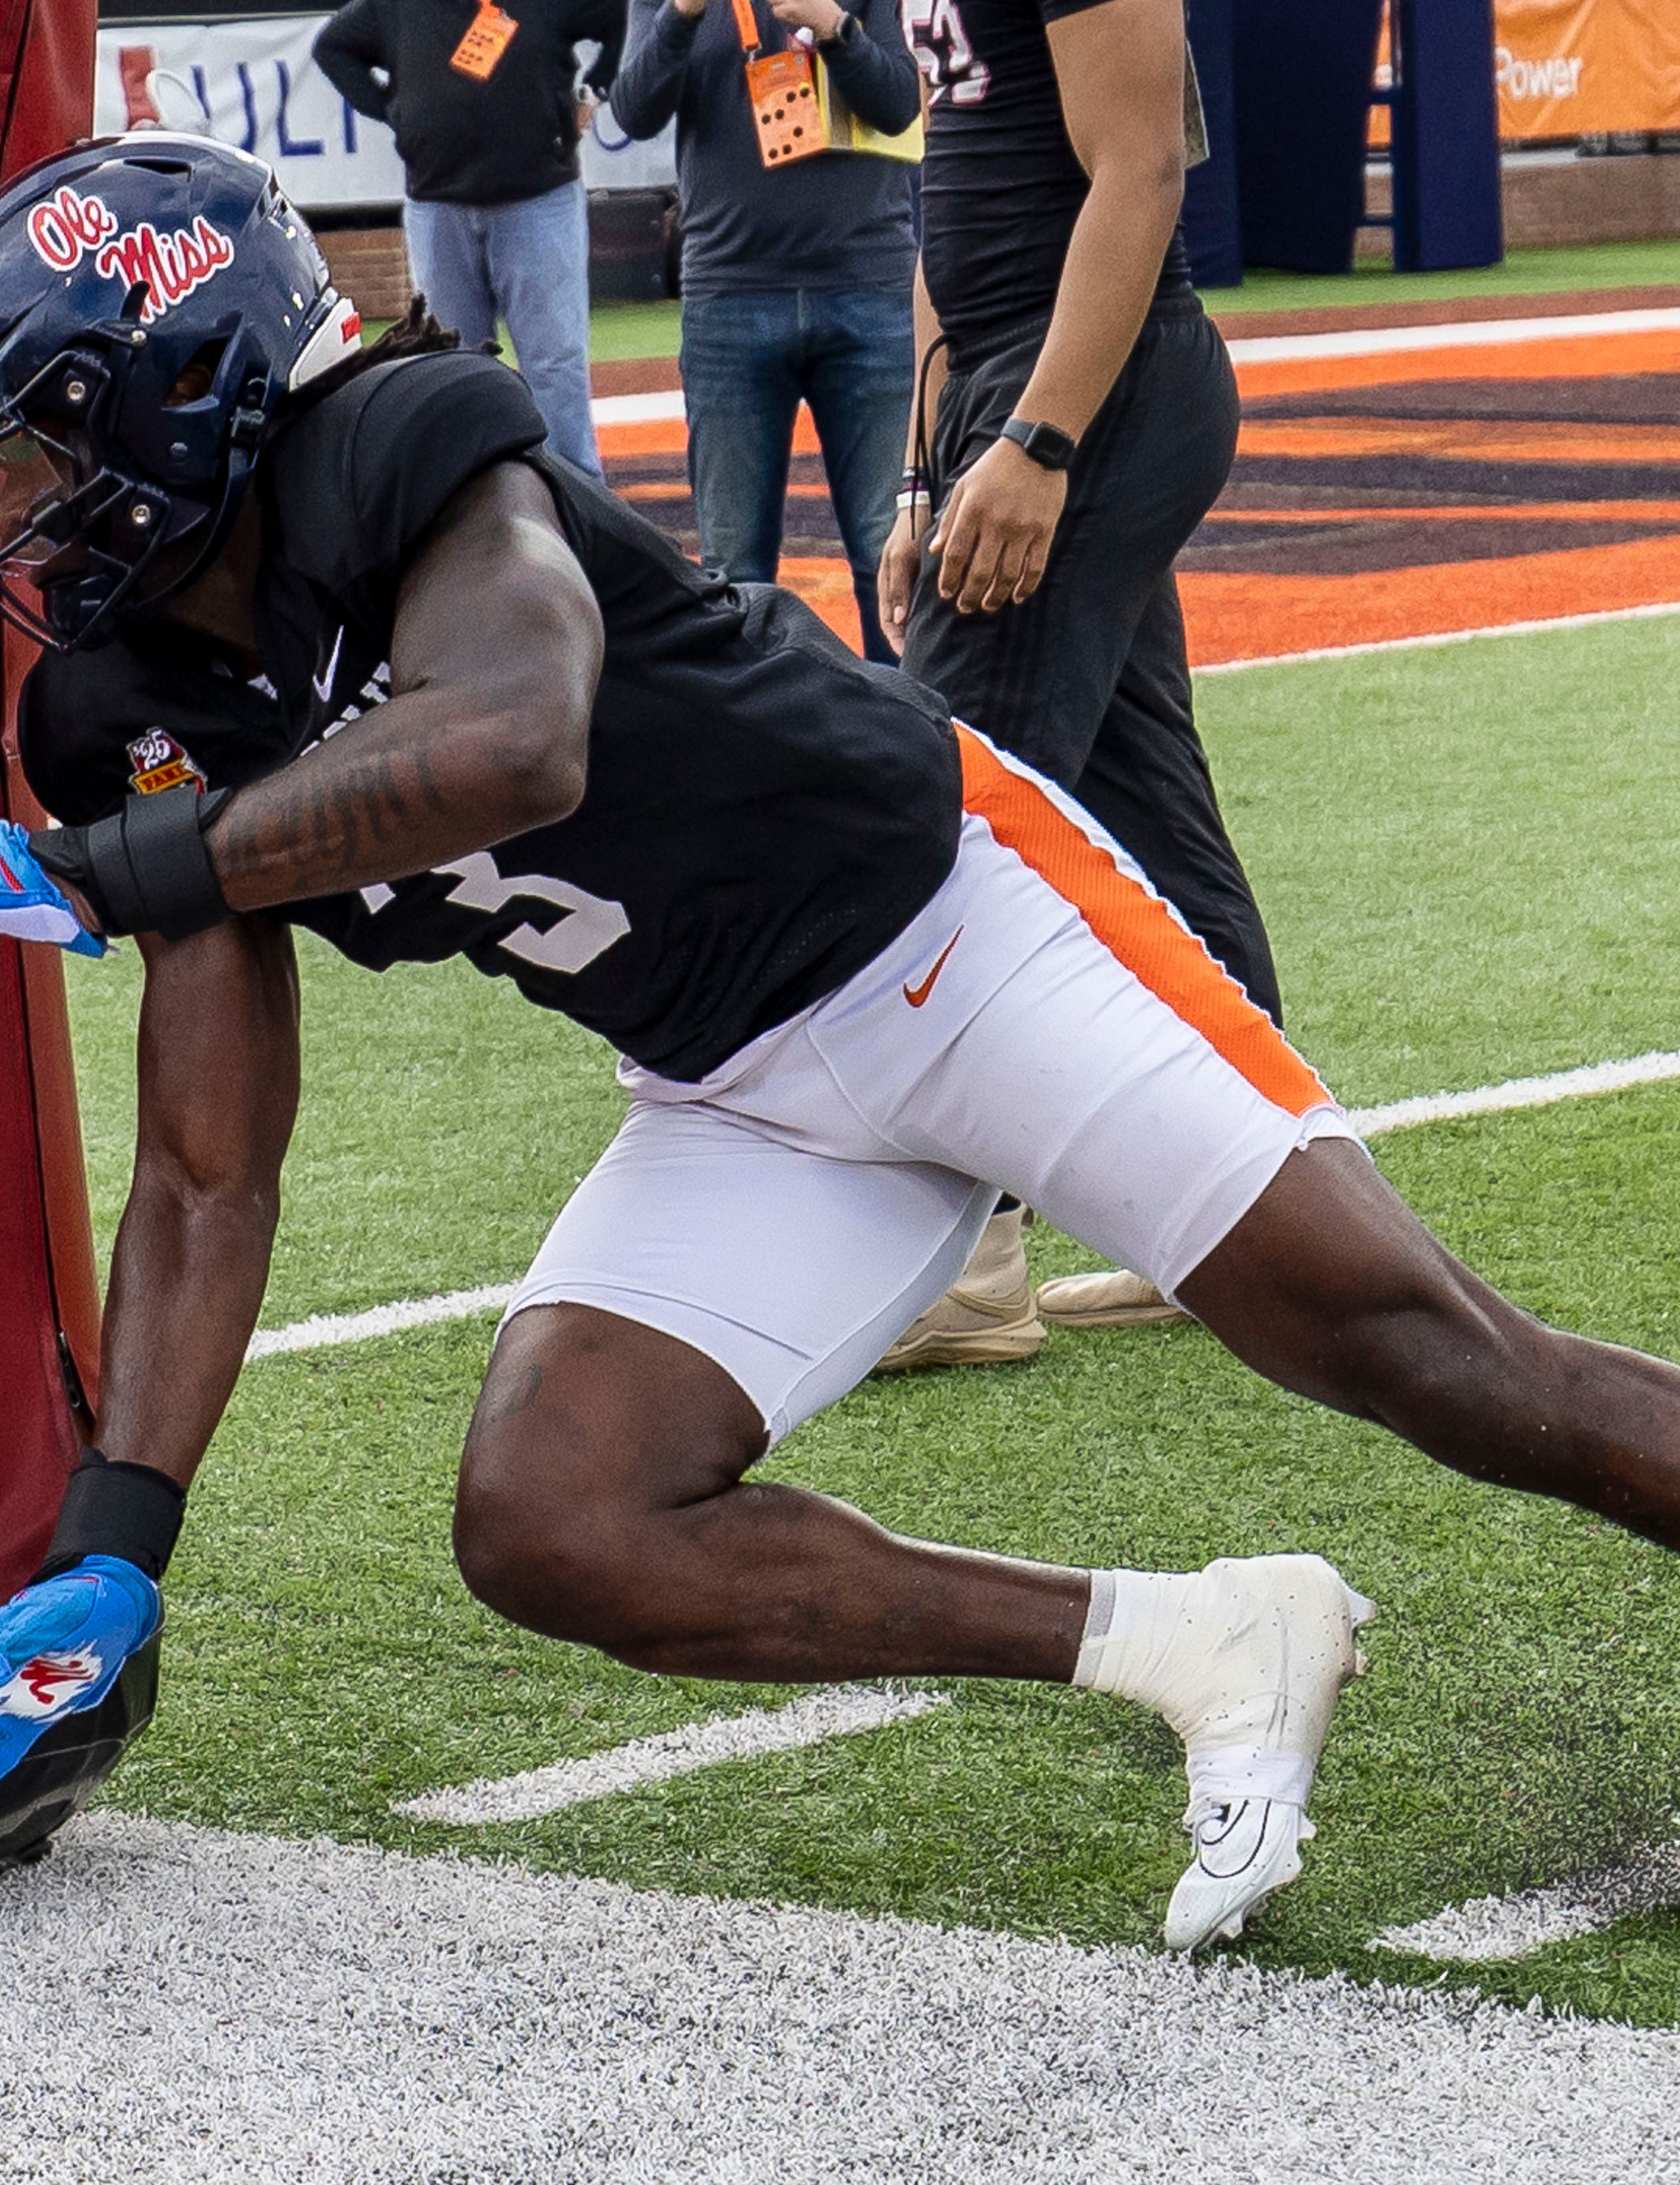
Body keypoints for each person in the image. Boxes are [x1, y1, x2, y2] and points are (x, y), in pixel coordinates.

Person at [0, 137, 1680, 1955]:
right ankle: (1196, 1637)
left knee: (1423, 1349)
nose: (19, 525)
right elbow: (207, 1166)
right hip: (733, 1078)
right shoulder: (122, 701)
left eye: (42, 457)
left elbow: (518, 733)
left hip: (954, 926)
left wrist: (135, 869)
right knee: (559, 1514)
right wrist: (120, 1538)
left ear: (196, 391)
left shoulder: (399, 442)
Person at [862, 0, 1265, 1363]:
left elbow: (1138, 166)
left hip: (1085, 386)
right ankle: (1250, 1216)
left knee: (946, 817)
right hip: (1013, 388)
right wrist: (924, 471)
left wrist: (1041, 441)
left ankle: (967, 1261)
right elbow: (949, 213)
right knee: (1145, 806)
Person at [607, 0, 924, 662]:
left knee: (889, 553)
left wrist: (834, 27)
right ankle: (753, 729)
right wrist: (681, 15)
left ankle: (906, 724)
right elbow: (633, 111)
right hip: (730, 294)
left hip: (867, 284)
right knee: (734, 569)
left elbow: (901, 104)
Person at [315, 0, 625, 476]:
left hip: (537, 199)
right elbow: (333, 48)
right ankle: (473, 494)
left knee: (555, 366)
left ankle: (578, 500)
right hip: (440, 206)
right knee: (456, 371)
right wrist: (394, 111)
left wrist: (596, 90)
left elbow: (620, 18)